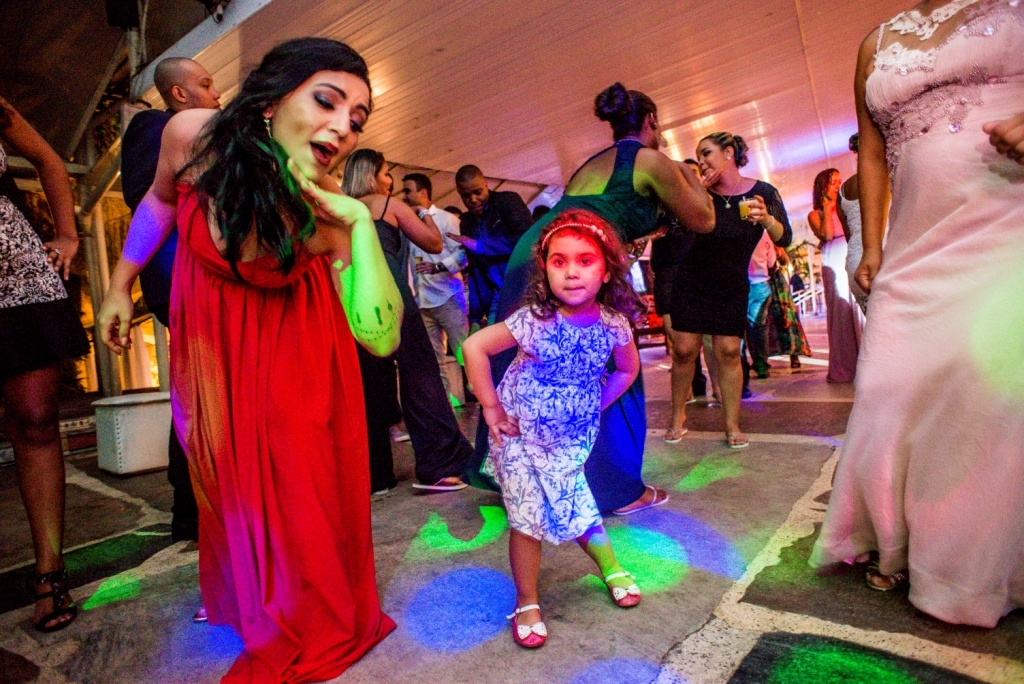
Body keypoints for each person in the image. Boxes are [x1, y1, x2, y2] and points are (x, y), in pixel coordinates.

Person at [98, 38, 400, 680]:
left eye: (358, 119)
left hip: (295, 343)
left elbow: (380, 338)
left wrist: (359, 224)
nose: (344, 126)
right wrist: (119, 283)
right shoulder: (191, 136)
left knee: (296, 474)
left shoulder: (324, 206)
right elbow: (158, 201)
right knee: (228, 475)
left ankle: (304, 603)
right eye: (328, 100)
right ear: (269, 100)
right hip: (215, 339)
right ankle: (255, 591)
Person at [812, 0, 1024, 628]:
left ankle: (965, 570)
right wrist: (872, 247)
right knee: (888, 385)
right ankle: (898, 535)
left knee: (982, 393)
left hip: (1004, 222)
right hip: (915, 238)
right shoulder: (875, 41)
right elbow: (872, 152)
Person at [468, 82, 714, 516]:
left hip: (537, 255)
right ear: (651, 121)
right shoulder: (652, 160)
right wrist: (690, 174)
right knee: (613, 367)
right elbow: (703, 219)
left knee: (527, 365)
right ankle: (616, 488)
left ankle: (515, 471)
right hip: (579, 262)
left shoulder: (590, 164)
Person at [463, 211, 646, 649]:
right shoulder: (533, 319)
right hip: (519, 437)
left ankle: (611, 567)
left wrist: (593, 404)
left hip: (568, 441)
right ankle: (527, 600)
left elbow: (627, 371)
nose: (571, 271)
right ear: (545, 270)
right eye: (559, 261)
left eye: (585, 260)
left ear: (606, 271)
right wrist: (490, 407)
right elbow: (474, 346)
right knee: (527, 519)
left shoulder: (614, 325)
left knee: (577, 503)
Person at [121, 57, 221, 547]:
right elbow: (152, 202)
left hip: (206, 286)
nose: (216, 93)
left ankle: (200, 511)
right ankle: (194, 511)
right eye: (205, 84)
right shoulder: (154, 127)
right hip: (188, 287)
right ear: (178, 94)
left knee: (208, 396)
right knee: (202, 399)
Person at [1, 94, 89, 633]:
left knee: (35, 421)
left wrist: (68, 234)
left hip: (17, 277)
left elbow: (50, 161)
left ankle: (49, 572)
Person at [343, 150, 474, 494]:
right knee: (421, 375)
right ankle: (439, 465)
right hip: (393, 294)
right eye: (386, 174)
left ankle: (376, 477)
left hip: (355, 301)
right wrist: (424, 215)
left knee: (369, 385)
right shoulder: (388, 206)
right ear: (372, 176)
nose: (390, 182)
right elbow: (432, 242)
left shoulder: (341, 210)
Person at [667, 132, 792, 449]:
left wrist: (765, 219)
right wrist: (698, 195)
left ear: (729, 152)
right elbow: (678, 232)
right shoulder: (698, 194)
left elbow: (784, 238)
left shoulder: (763, 192)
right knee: (683, 351)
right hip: (691, 282)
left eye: (706, 153)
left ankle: (732, 425)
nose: (703, 160)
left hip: (732, 285)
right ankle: (676, 416)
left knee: (727, 353)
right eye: (698, 156)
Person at [400, 172, 470, 404]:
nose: (405, 196)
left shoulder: (446, 219)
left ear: (423, 192)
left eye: (408, 190)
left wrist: (439, 266)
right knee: (433, 359)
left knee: (464, 352)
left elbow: (463, 254)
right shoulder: (407, 222)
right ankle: (446, 407)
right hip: (422, 300)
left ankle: (483, 397)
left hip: (448, 296)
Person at [453, 165, 534, 327]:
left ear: (485, 184)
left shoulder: (507, 201)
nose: (473, 199)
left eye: (477, 192)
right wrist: (475, 318)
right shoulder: (467, 223)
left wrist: (481, 246)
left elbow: (528, 239)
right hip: (498, 295)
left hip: (526, 287)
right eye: (466, 196)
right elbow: (475, 273)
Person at [809, 168, 864, 383]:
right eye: (833, 181)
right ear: (822, 186)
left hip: (850, 251)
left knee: (857, 306)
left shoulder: (846, 204)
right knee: (841, 310)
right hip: (832, 257)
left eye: (839, 180)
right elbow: (828, 234)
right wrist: (827, 206)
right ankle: (846, 366)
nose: (838, 184)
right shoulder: (815, 214)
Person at [838, 133, 869, 313]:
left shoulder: (843, 190)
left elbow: (849, 236)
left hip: (855, 262)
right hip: (882, 258)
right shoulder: (887, 173)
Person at [767, 246, 811, 368]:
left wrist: (778, 252)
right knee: (761, 319)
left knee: (787, 315)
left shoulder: (771, 236)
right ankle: (760, 359)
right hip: (756, 278)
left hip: (775, 281)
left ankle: (794, 353)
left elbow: (784, 260)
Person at [743, 230, 777, 385]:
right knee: (759, 327)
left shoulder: (734, 229)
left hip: (741, 283)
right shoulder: (764, 233)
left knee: (738, 328)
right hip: (760, 284)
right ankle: (761, 366)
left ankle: (741, 365)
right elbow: (771, 262)